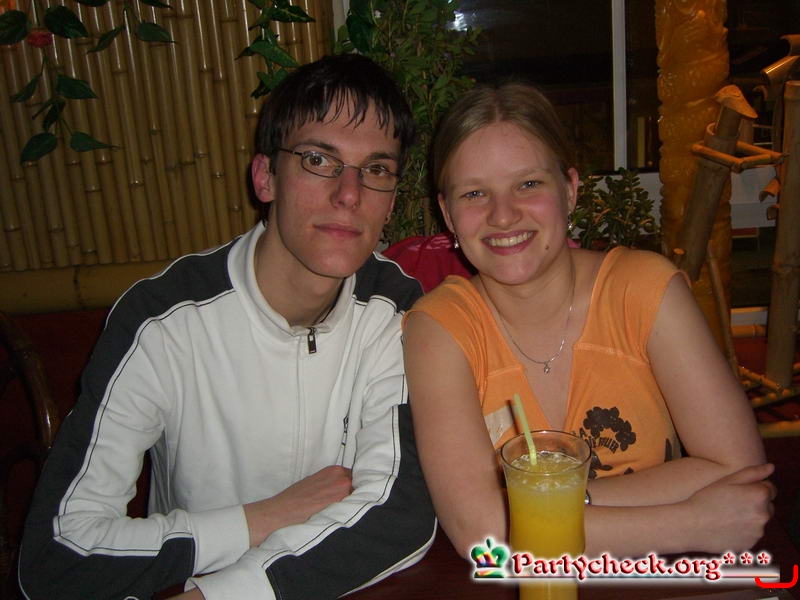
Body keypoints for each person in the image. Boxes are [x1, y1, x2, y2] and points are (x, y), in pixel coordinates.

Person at [19, 53, 436, 600]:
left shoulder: (396, 310)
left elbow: (400, 512)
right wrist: (260, 519)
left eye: (376, 170)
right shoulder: (161, 321)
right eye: (319, 160)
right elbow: (57, 556)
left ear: (392, 200)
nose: (349, 194)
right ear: (265, 177)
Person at [402, 81, 774, 559]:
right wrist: (691, 523)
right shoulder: (439, 329)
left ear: (570, 190)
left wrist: (547, 506)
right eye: (475, 193)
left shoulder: (645, 290)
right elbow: (483, 534)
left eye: (528, 184)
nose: (503, 215)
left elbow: (739, 471)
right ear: (448, 215)